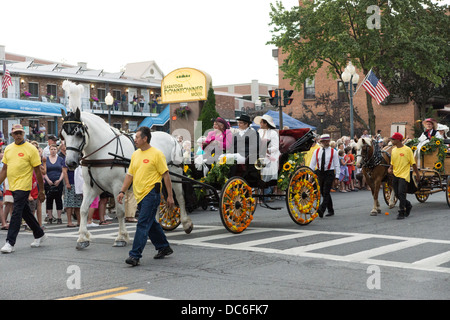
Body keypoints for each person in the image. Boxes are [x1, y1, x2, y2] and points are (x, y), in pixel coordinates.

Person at [117, 126, 174, 266]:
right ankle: (164, 247)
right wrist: (122, 191)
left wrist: (170, 196)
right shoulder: (135, 154)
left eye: (137, 137)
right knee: (151, 223)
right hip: (139, 194)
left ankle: (134, 255)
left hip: (152, 194)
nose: (134, 140)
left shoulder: (156, 154)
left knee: (142, 223)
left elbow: (165, 175)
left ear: (145, 138)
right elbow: (129, 175)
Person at [0, 124, 47, 253]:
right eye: (16, 133)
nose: (18, 135)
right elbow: (4, 170)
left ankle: (10, 242)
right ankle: (39, 234)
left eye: (20, 132)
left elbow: (38, 172)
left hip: (24, 186)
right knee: (25, 212)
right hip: (12, 185)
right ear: (12, 135)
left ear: (23, 134)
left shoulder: (31, 149)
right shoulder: (8, 149)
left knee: (16, 212)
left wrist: (41, 191)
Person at [388, 132, 420, 220]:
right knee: (397, 194)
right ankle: (408, 204)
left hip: (404, 175)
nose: (392, 141)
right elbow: (392, 163)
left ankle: (401, 211)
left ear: (398, 140)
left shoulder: (407, 150)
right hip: (395, 174)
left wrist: (417, 174)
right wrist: (390, 168)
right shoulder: (393, 150)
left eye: (393, 139)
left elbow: (413, 164)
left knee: (401, 193)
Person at [309, 134, 340, 218]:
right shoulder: (317, 151)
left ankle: (321, 209)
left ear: (329, 141)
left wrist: (337, 176)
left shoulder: (334, 151)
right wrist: (309, 175)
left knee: (326, 191)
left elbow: (337, 165)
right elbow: (312, 164)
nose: (325, 142)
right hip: (320, 173)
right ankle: (331, 210)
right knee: (323, 192)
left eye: (326, 141)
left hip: (329, 173)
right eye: (323, 141)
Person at [254, 114, 279, 182]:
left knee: (267, 163)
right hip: (260, 153)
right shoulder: (259, 131)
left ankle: (267, 182)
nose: (260, 123)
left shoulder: (273, 133)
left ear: (266, 124)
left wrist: (267, 150)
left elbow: (275, 147)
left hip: (271, 154)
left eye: (261, 122)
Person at [43, 144, 65, 224]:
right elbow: (44, 171)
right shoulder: (46, 159)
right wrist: (48, 180)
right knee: (49, 200)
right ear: (49, 150)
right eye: (51, 149)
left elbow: (63, 171)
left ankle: (59, 218)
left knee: (58, 199)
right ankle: (50, 217)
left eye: (54, 149)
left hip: (58, 182)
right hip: (48, 182)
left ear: (57, 150)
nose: (53, 151)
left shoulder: (60, 159)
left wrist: (59, 180)